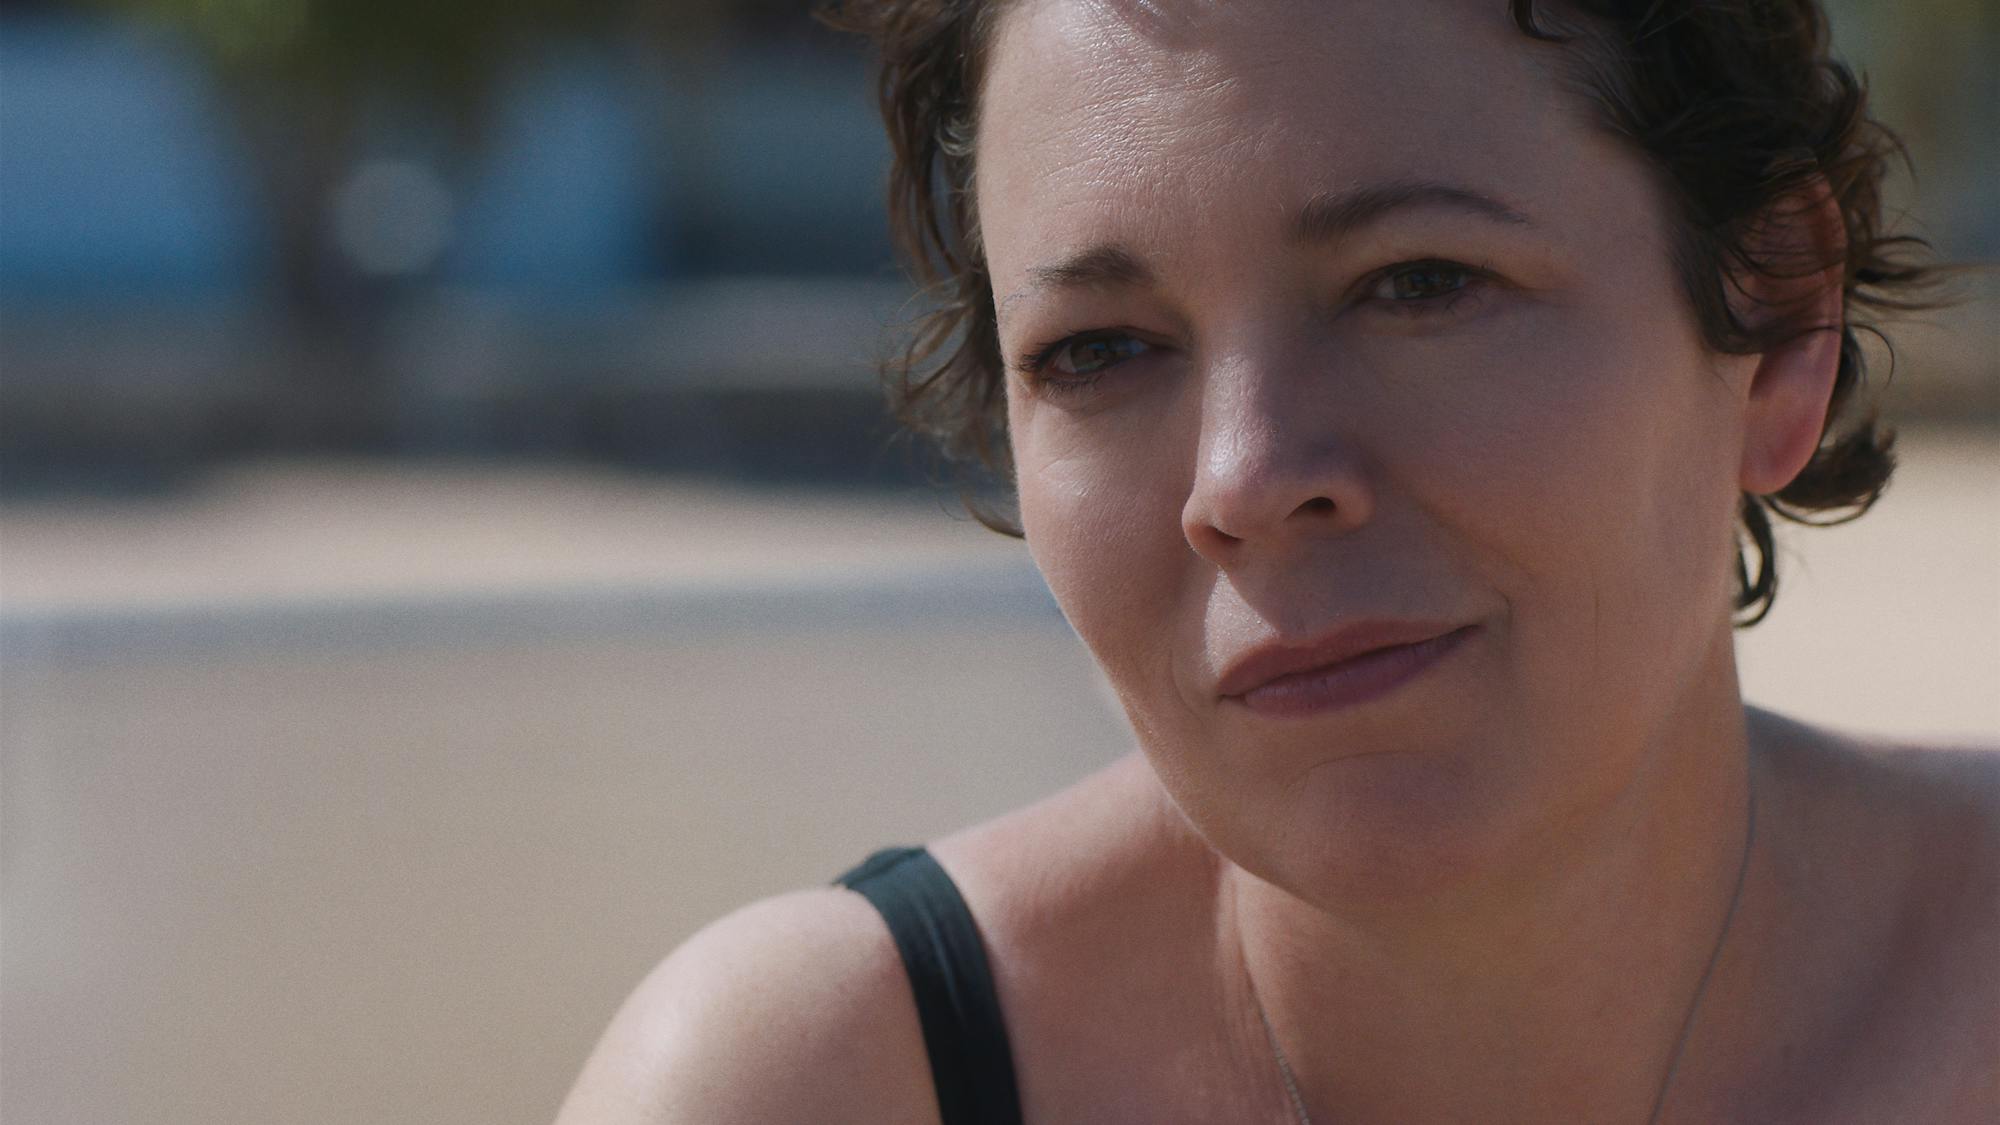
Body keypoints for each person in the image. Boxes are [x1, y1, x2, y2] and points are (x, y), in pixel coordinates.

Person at [555, 1, 1999, 1120]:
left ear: (1779, 325)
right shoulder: (819, 1087)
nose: (1241, 482)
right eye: (1100, 352)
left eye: (1418, 282)